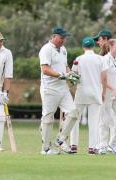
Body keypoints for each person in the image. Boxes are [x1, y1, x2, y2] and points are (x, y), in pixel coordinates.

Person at [56, 37, 108, 154]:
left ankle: (73, 144)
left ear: (83, 47)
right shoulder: (100, 59)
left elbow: (73, 77)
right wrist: (103, 92)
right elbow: (104, 78)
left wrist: (68, 86)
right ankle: (92, 147)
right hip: (95, 93)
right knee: (94, 121)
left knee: (74, 118)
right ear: (93, 47)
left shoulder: (78, 59)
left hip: (81, 93)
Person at [39, 27, 78, 155]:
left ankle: (60, 139)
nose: (63, 40)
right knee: (48, 117)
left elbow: (65, 66)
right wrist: (62, 75)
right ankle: (45, 148)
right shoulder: (46, 49)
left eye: (65, 38)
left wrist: (70, 73)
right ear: (54, 36)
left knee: (73, 113)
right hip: (49, 88)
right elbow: (45, 69)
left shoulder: (63, 50)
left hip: (63, 88)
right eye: (61, 38)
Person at [93, 29, 116, 152]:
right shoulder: (104, 60)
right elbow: (102, 79)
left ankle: (112, 143)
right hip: (106, 93)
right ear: (111, 46)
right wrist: (113, 89)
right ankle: (102, 145)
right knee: (105, 120)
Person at [0, 32, 13, 151]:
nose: (1, 43)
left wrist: (5, 92)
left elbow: (8, 75)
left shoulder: (7, 53)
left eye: (2, 41)